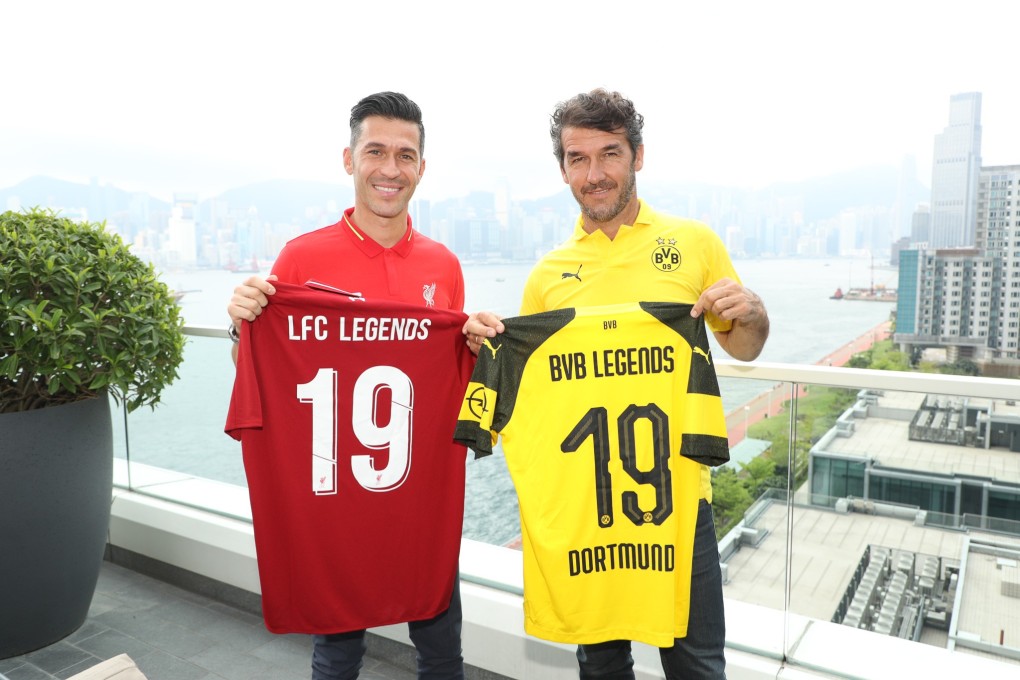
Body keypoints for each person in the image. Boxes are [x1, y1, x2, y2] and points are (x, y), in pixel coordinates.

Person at [462, 88, 769, 680]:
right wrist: (486, 344)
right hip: (584, 513)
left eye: (610, 154)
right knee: (601, 667)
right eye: (579, 159)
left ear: (638, 156)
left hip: (679, 503)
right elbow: (526, 388)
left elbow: (744, 344)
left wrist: (752, 311)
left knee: (699, 666)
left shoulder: (695, 243)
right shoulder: (547, 277)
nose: (595, 174)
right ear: (563, 169)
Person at [226, 92, 467, 680]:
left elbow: (448, 381)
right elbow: (266, 372)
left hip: (418, 499)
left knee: (442, 648)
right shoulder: (302, 257)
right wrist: (241, 326)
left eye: (405, 155)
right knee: (336, 656)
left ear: (422, 168)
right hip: (335, 501)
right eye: (375, 151)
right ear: (348, 158)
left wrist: (476, 342)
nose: (390, 169)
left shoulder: (444, 266)